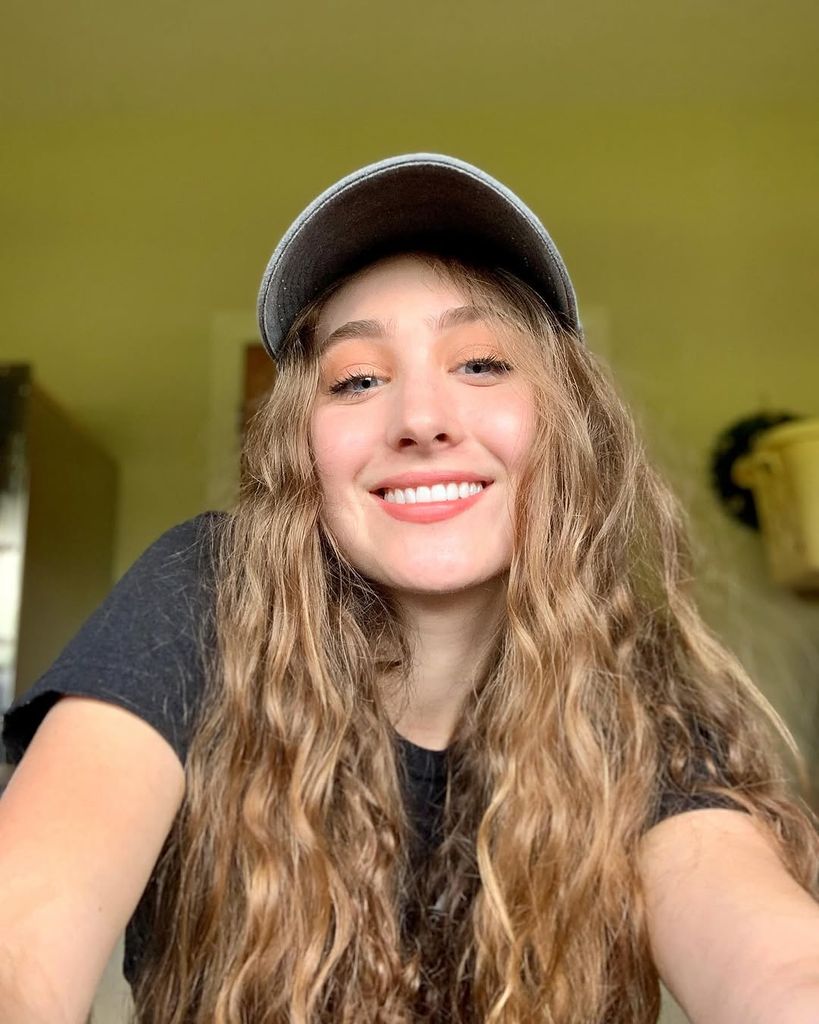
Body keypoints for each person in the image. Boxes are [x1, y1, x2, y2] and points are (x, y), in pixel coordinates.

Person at [1, 152, 817, 1024]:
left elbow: (775, 966)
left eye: (480, 364)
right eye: (357, 380)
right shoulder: (210, 589)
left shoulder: (637, 689)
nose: (419, 419)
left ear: (564, 424)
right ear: (300, 447)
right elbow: (21, 936)